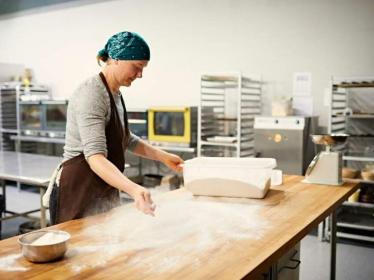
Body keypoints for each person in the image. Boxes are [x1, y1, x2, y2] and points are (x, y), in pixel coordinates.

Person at [45, 31, 184, 224]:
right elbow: (95, 158)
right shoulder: (92, 93)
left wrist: (163, 157)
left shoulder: (115, 94)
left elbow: (126, 139)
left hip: (103, 186)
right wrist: (134, 189)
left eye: (143, 68)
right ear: (117, 59)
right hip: (78, 189)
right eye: (137, 67)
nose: (140, 75)